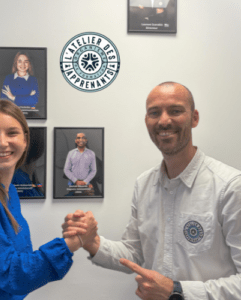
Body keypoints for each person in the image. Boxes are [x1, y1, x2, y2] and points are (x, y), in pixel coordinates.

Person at [63, 82, 241, 300]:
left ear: (194, 118)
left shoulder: (230, 186)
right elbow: (134, 254)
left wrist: (177, 292)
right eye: (154, 113)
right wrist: (91, 241)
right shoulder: (144, 184)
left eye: (175, 111)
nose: (164, 120)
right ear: (147, 121)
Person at [0, 100, 97, 299]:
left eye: (11, 133)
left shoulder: (10, 192)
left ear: (25, 140)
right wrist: (71, 243)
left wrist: (74, 233)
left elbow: (18, 262)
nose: (2, 142)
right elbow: (11, 274)